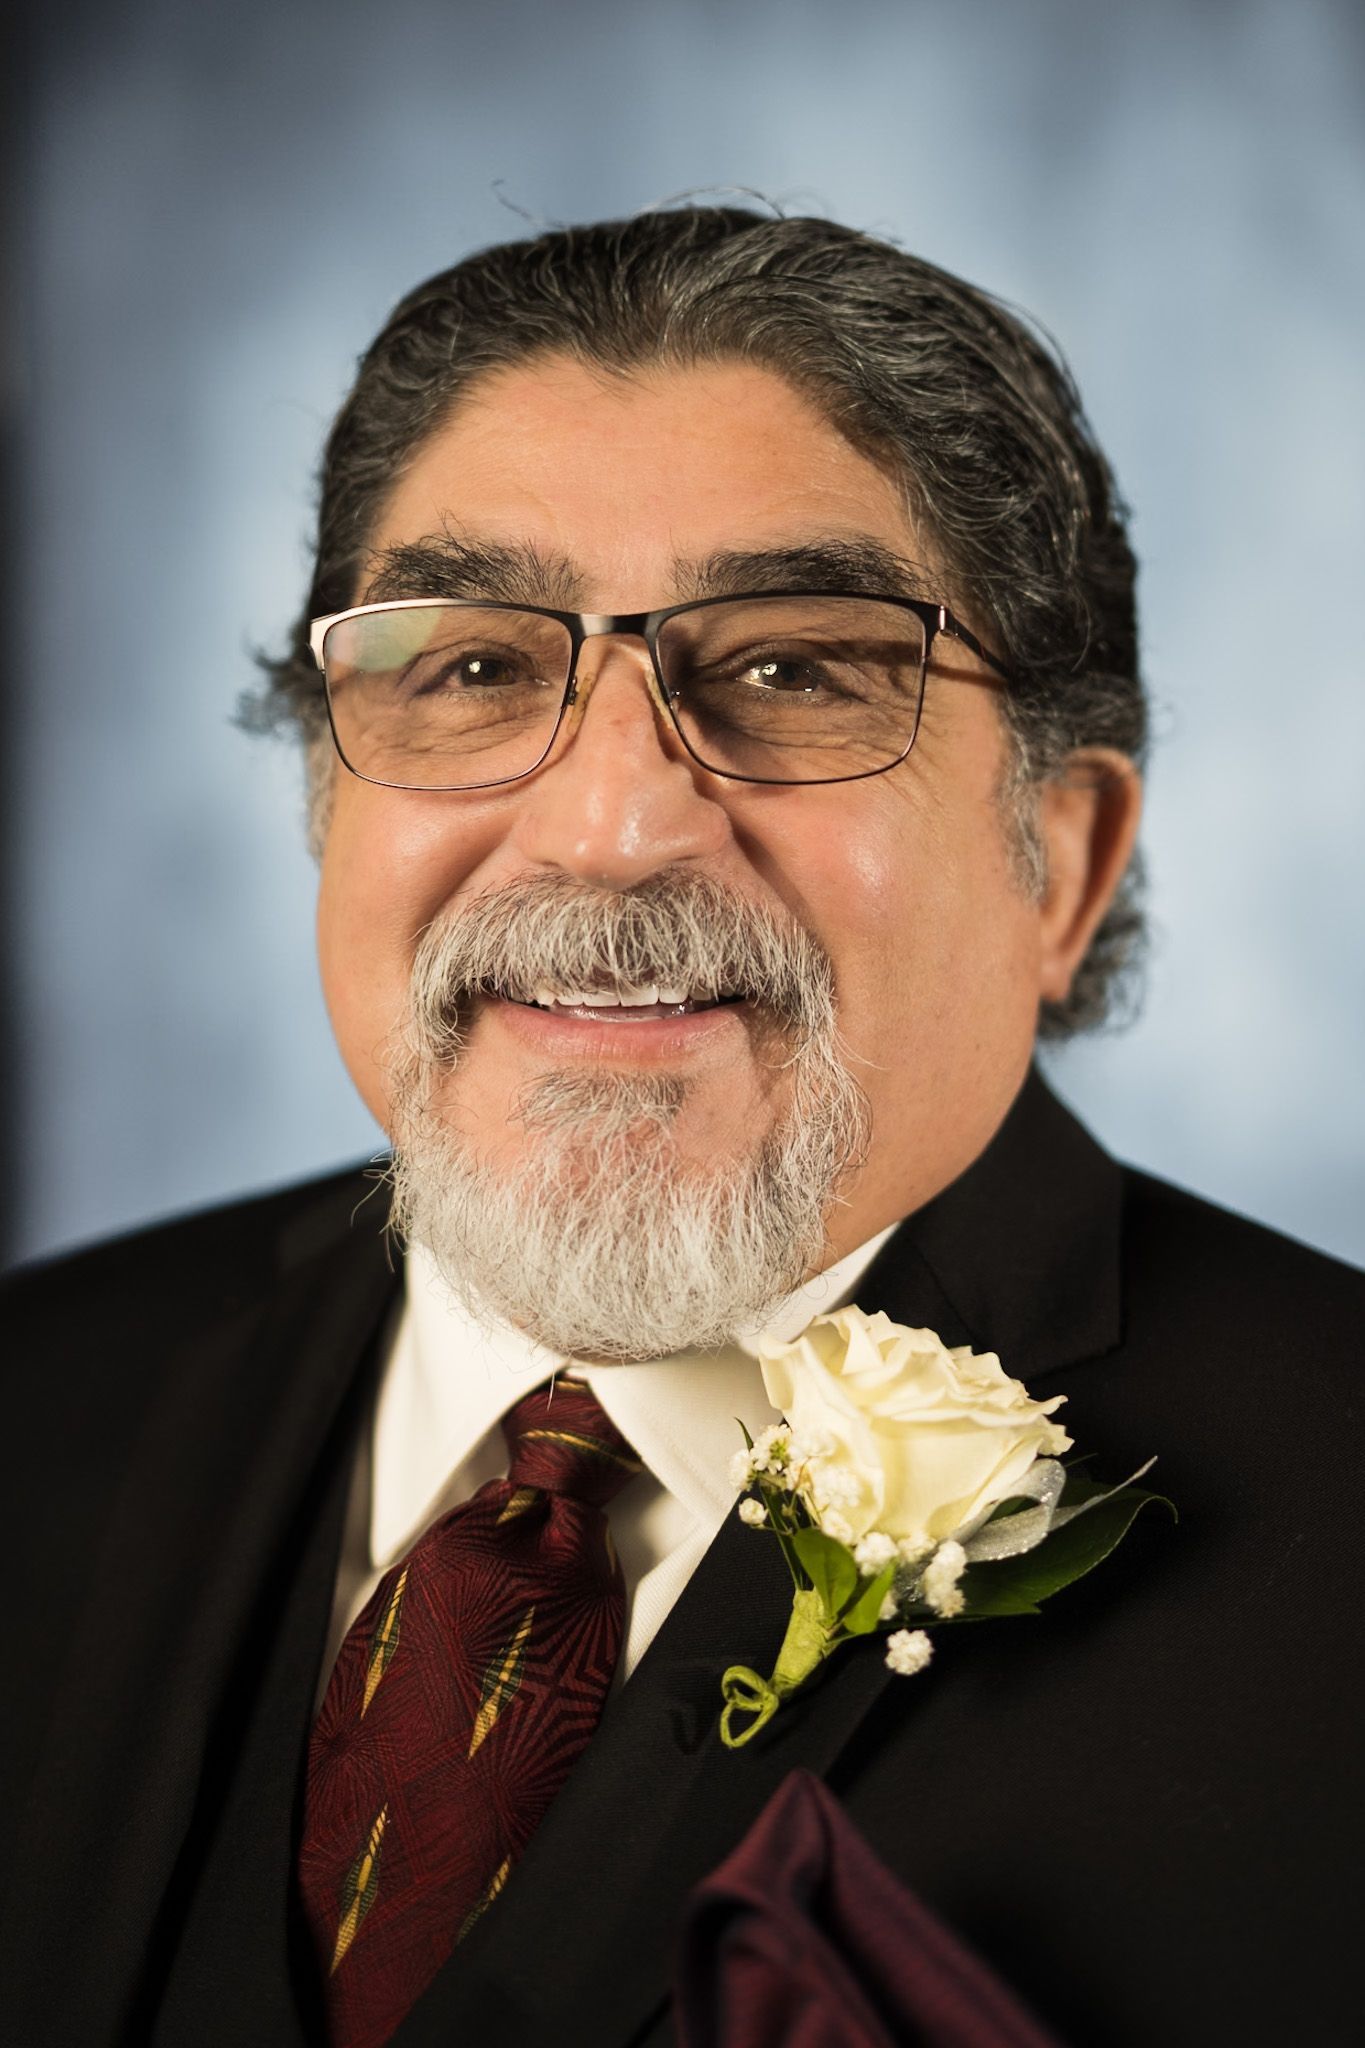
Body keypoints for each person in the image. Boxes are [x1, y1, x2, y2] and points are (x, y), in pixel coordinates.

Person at [3, 207, 1360, 2048]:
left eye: (798, 666)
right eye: (475, 667)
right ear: (329, 799)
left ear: (1063, 858)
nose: (609, 825)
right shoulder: (40, 1392)